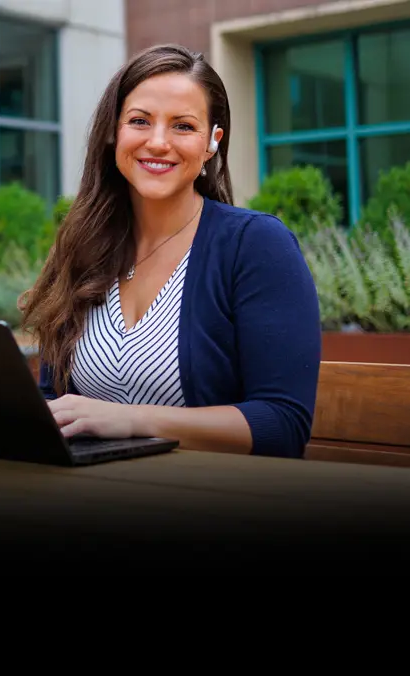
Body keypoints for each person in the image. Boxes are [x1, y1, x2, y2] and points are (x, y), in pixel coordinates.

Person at [20, 43, 321, 459]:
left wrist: (130, 419)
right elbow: (54, 400)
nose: (158, 142)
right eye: (140, 121)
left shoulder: (255, 246)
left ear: (212, 142)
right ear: (114, 130)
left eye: (183, 126)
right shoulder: (81, 244)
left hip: (217, 503)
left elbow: (282, 424)